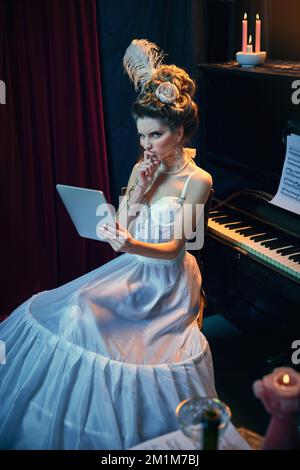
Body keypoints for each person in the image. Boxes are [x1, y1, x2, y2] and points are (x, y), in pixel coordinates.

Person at [0, 39, 216, 450]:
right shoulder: (141, 167)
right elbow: (119, 224)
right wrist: (136, 194)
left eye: (156, 134)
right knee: (76, 310)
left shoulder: (198, 180)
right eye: (141, 135)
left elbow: (174, 248)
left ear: (180, 131)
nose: (147, 144)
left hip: (167, 281)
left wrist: (131, 243)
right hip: (132, 268)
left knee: (106, 328)